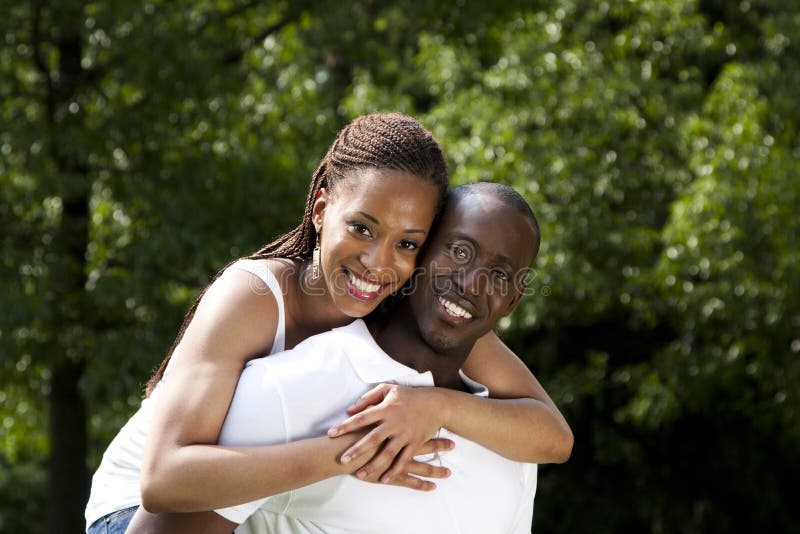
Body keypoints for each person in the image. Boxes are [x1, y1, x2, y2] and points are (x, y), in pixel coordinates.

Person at [85, 113, 572, 532]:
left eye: (407, 243)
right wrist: (356, 453)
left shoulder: (412, 297)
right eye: (361, 228)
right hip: (131, 513)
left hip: (237, 499)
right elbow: (163, 481)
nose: (377, 262)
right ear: (320, 211)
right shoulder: (254, 296)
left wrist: (432, 406)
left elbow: (551, 435)